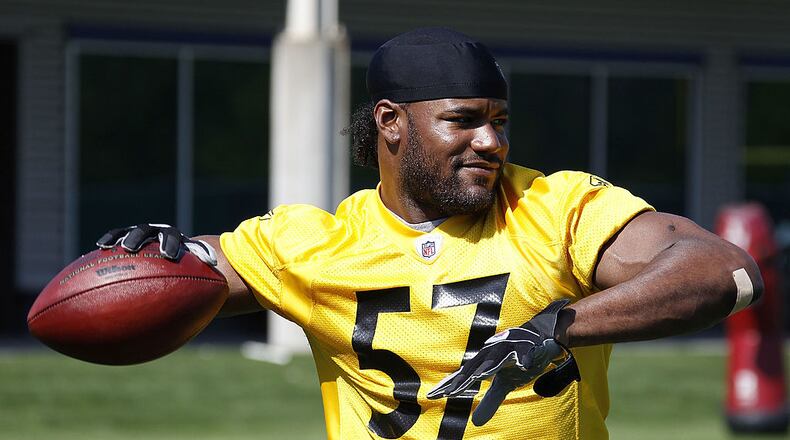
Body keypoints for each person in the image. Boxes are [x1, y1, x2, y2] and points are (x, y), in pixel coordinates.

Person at [97, 28, 763, 439]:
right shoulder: (314, 245)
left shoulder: (555, 209)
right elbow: (188, 268)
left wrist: (557, 327)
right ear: (391, 122)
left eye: (499, 121)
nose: (491, 141)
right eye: (464, 120)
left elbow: (724, 270)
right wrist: (157, 253)